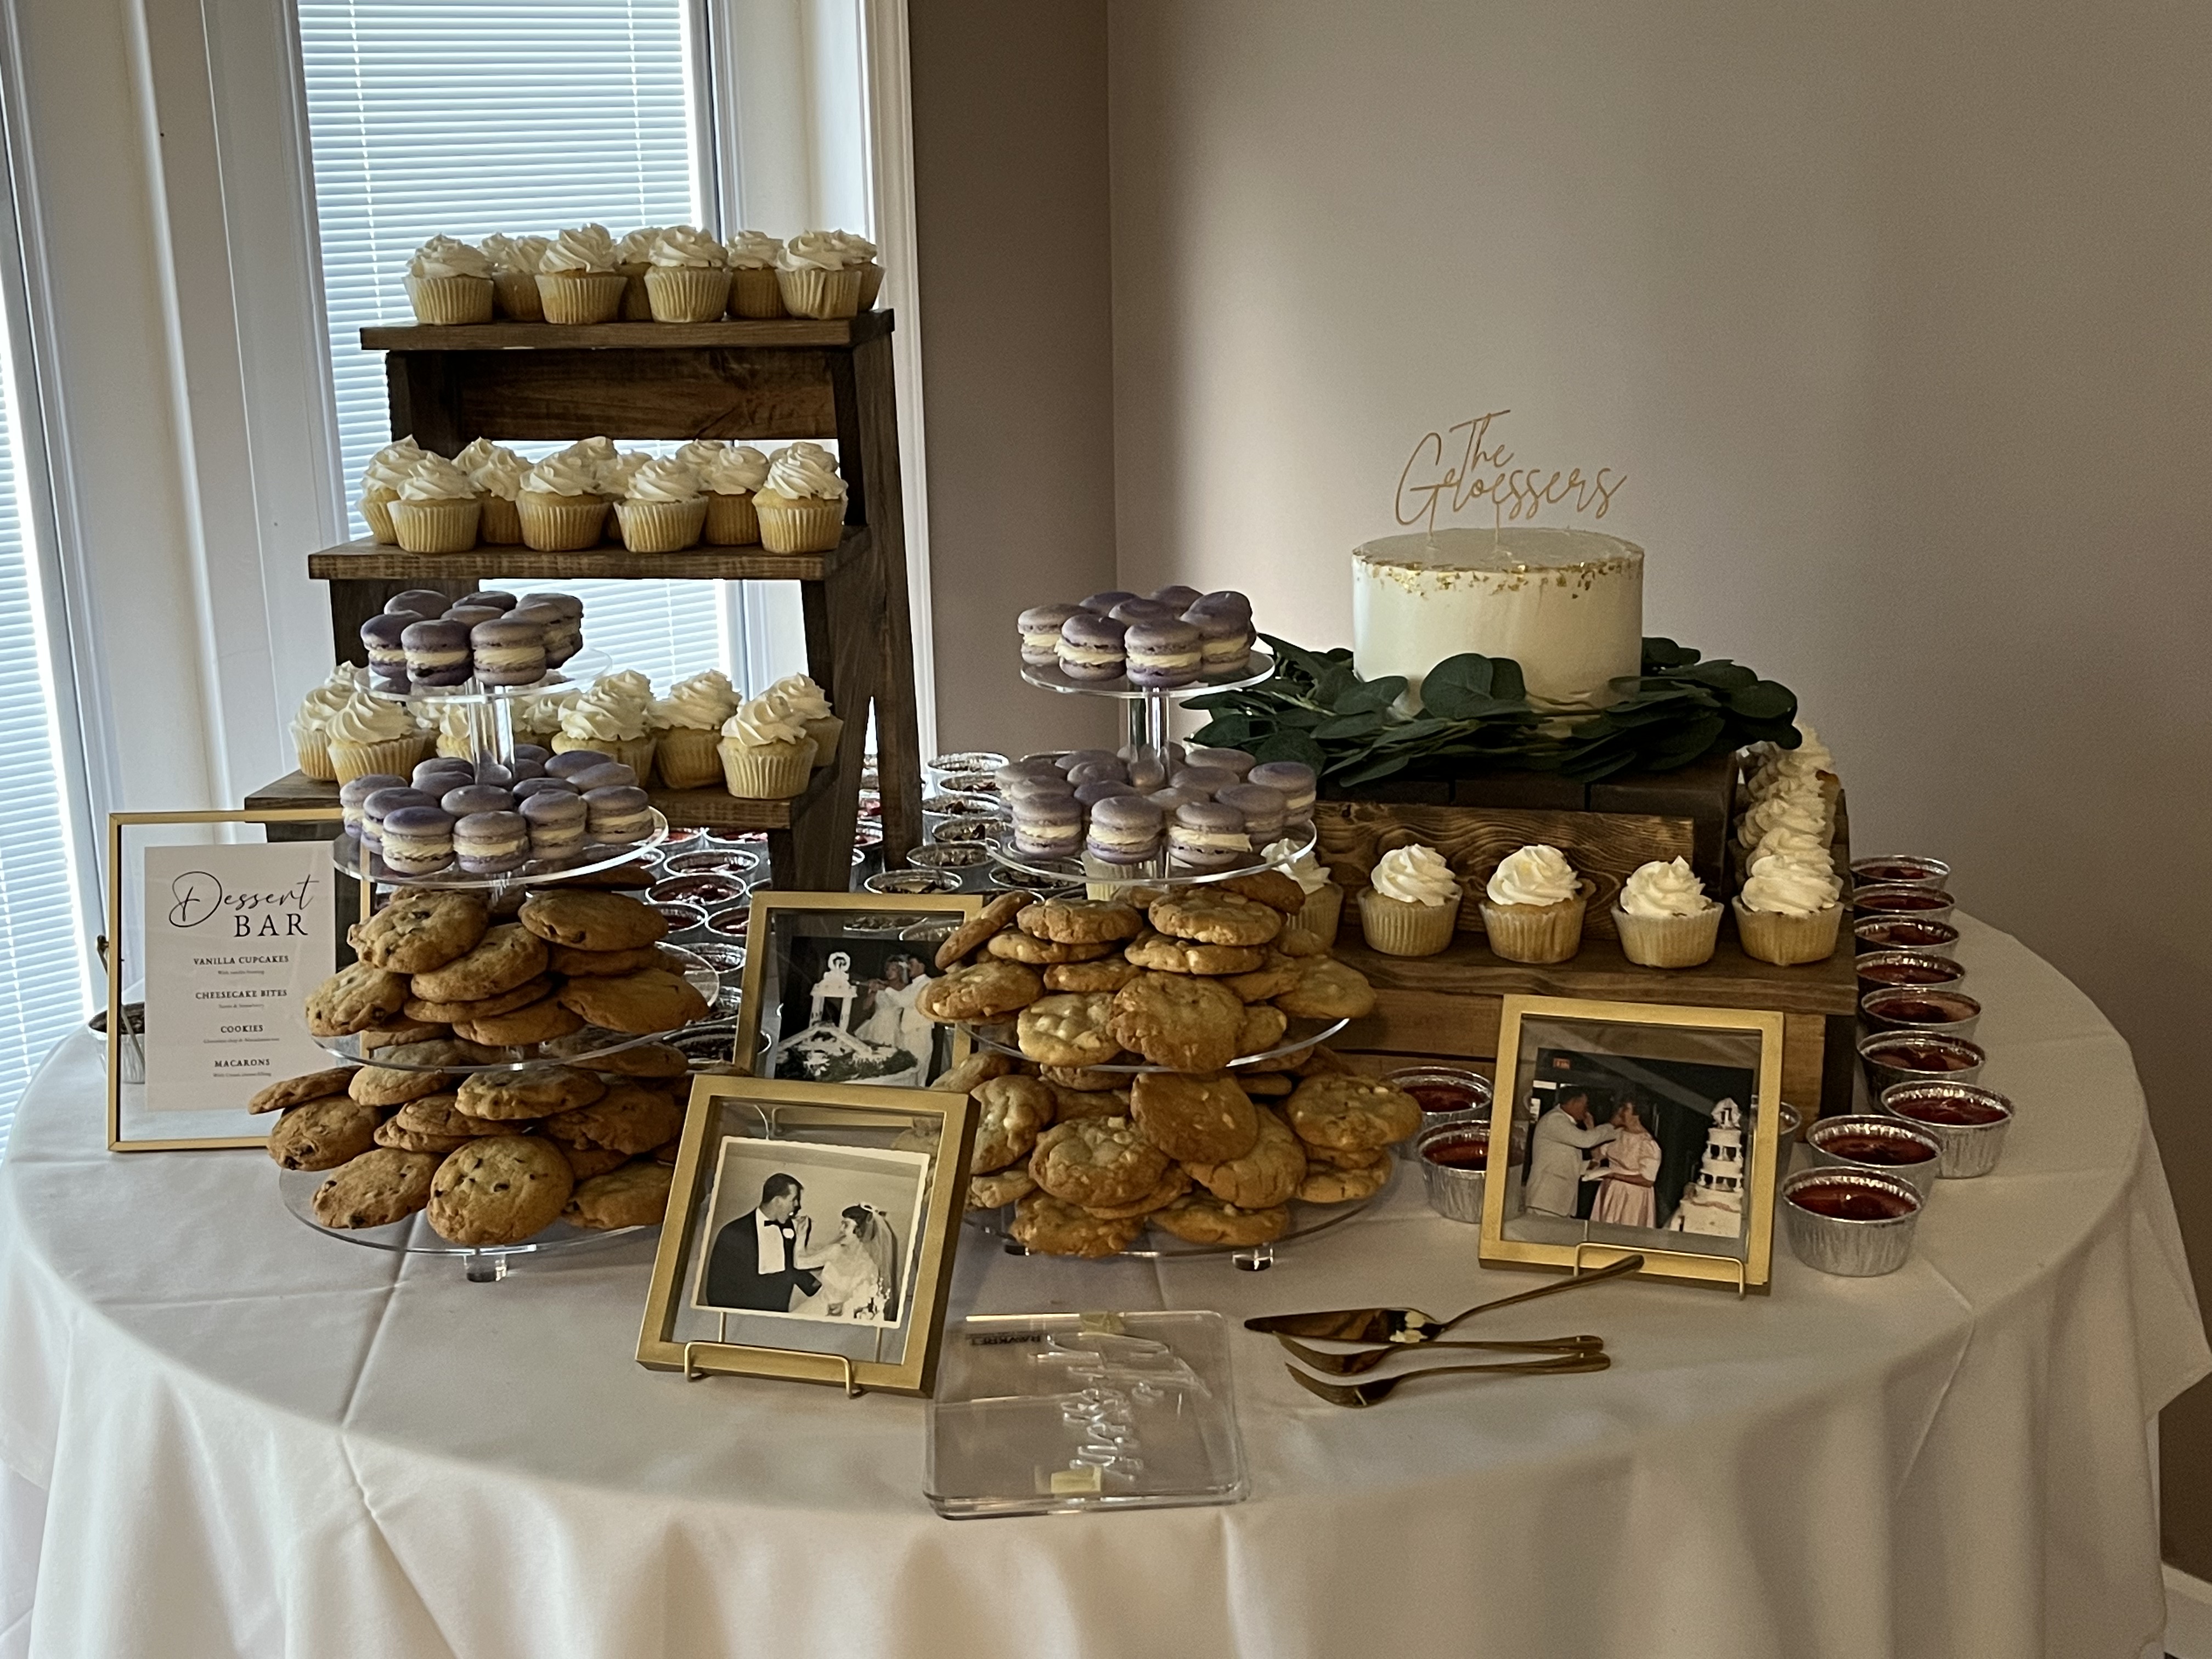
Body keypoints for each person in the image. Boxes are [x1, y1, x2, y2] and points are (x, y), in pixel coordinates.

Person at [701, 1172, 822, 1312]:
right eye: (794, 1200)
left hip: (778, 1309)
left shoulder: (788, 1227)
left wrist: (819, 1286)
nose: (797, 1205)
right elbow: (717, 1286)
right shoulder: (733, 1232)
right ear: (777, 1201)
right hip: (744, 1310)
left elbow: (789, 1266)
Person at [792, 1204, 900, 1322]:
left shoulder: (869, 1264)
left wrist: (845, 1306)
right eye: (842, 1224)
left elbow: (865, 1296)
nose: (841, 1229)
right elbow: (800, 1263)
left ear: (860, 1229)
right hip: (819, 1306)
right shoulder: (835, 1251)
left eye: (846, 1225)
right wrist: (801, 1235)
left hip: (846, 1314)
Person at [1523, 1088, 1618, 1217]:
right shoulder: (1555, 1120)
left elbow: (1565, 1160)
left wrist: (1590, 1165)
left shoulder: (1565, 1123)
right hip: (1546, 1199)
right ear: (1574, 1102)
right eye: (1585, 1105)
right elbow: (1585, 1141)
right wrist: (1612, 1126)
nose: (1586, 1110)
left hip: (1558, 1201)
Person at [853, 955, 936, 1080]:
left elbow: (905, 1001)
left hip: (919, 1031)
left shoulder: (927, 984)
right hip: (907, 1032)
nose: (909, 966)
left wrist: (885, 988)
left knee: (919, 1069)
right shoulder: (913, 986)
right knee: (907, 1068)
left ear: (922, 965)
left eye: (912, 964)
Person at [1589, 1099, 1662, 1229]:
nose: (1620, 1112)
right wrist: (1590, 1127)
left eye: (1625, 1109)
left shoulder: (1647, 1143)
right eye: (1621, 1108)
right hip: (1611, 1190)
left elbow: (1648, 1181)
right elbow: (1597, 1154)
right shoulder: (1617, 1134)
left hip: (1632, 1195)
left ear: (1637, 1114)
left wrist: (1615, 1176)